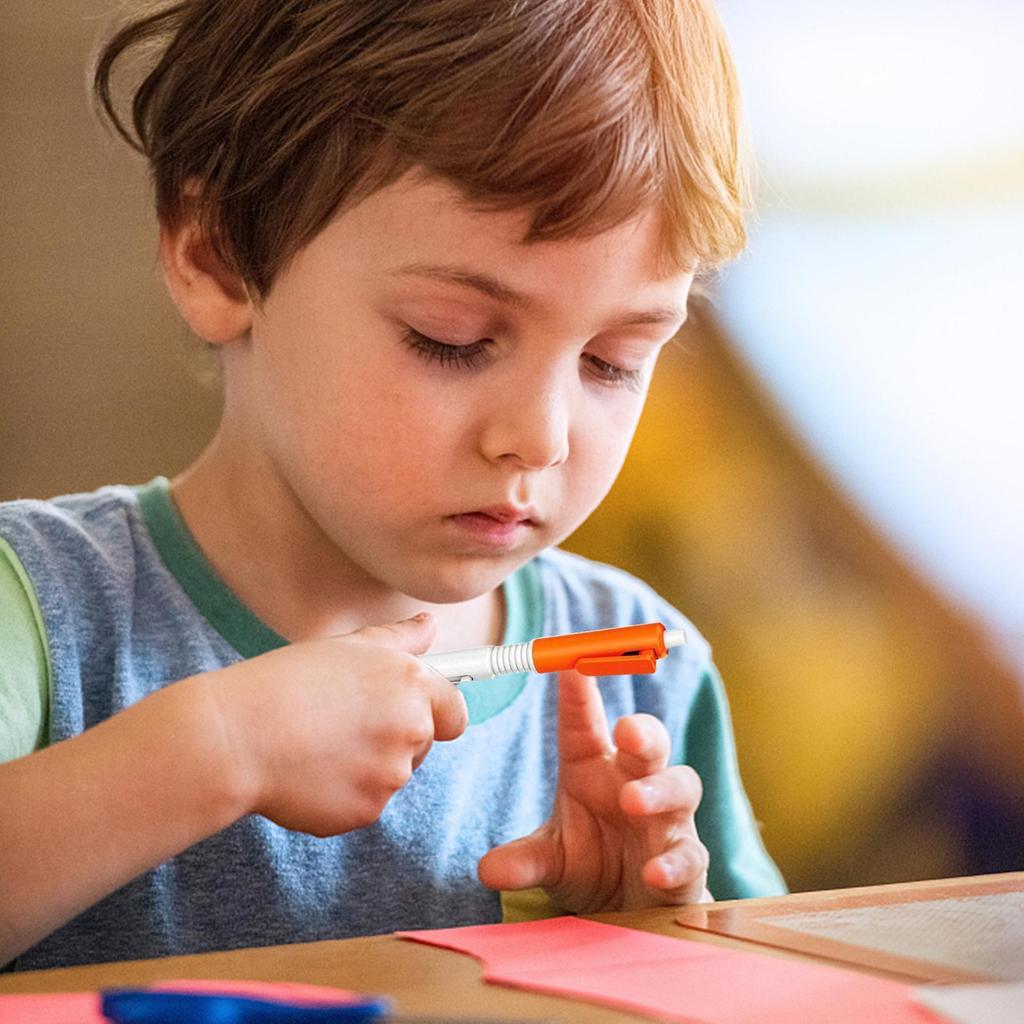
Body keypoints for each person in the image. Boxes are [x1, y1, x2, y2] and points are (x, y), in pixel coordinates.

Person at [0, 0, 785, 971]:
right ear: (216, 258)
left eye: (613, 361)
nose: (538, 438)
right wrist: (221, 748)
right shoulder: (42, 615)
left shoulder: (638, 668)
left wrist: (646, 937)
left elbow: (774, 986)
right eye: (451, 338)